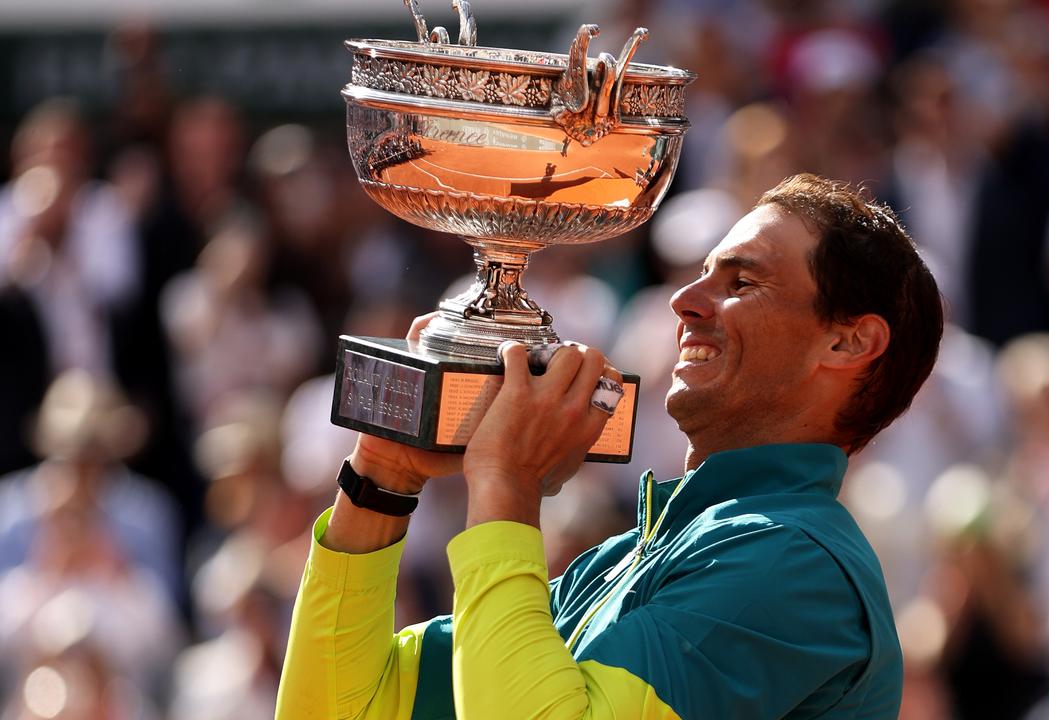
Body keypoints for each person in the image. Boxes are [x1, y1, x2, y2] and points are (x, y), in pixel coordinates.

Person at [276, 173, 944, 719]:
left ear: (848, 341)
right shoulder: (618, 563)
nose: (685, 299)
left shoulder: (794, 561)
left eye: (742, 282)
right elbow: (337, 710)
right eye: (704, 272)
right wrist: (381, 479)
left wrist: (507, 484)